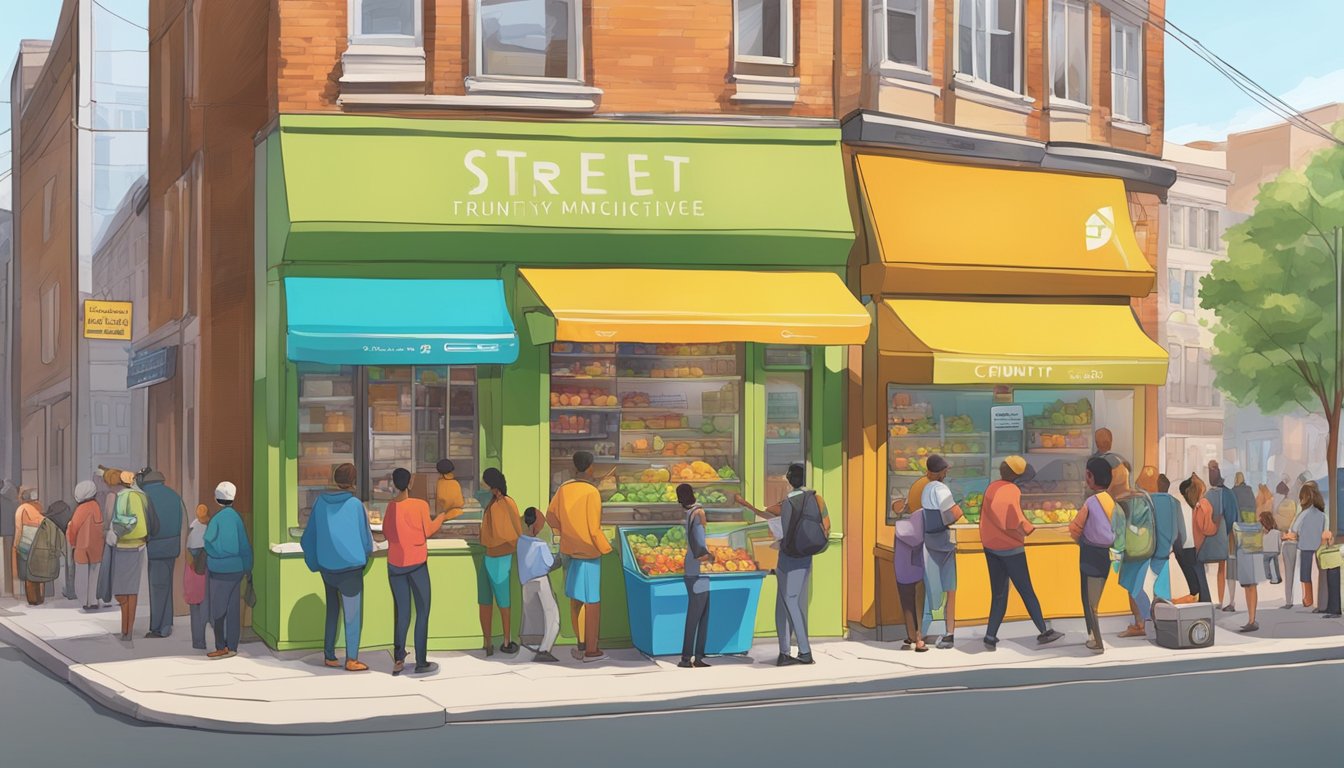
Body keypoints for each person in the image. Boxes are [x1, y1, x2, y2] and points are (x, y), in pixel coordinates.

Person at [737, 463, 830, 665]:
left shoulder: (786, 503)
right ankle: (787, 652)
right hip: (805, 557)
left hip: (788, 557)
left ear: (788, 479)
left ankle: (800, 652)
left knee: (787, 603)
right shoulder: (817, 498)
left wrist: (745, 504)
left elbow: (769, 519)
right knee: (792, 602)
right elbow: (827, 527)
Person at [979, 457, 1063, 650]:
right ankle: (1044, 631)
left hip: (991, 546)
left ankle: (990, 635)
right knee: (1026, 590)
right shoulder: (1011, 490)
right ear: (1017, 476)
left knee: (999, 593)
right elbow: (1012, 518)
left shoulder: (992, 487)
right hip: (1011, 548)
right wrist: (1028, 527)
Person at [302, 463, 375, 671]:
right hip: (350, 569)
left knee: (332, 610)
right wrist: (366, 555)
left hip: (327, 568)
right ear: (354, 481)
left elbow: (309, 537)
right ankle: (351, 659)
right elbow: (366, 541)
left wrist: (316, 563)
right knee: (352, 615)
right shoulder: (355, 505)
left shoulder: (320, 503)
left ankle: (329, 655)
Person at [547, 451, 611, 663]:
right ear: (590, 467)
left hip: (569, 550)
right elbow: (594, 529)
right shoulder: (592, 493)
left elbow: (551, 517)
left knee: (575, 601)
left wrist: (565, 532)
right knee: (592, 602)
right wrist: (606, 548)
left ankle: (580, 645)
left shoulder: (564, 490)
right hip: (589, 553)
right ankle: (592, 651)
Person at [382, 468, 444, 675]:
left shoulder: (391, 507)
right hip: (417, 564)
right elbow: (429, 530)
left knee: (402, 614)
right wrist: (443, 516)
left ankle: (398, 659)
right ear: (409, 483)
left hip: (395, 565)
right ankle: (421, 661)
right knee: (423, 612)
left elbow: (386, 533)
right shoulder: (420, 505)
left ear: (394, 483)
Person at [1070, 458, 1117, 653]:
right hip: (1106, 555)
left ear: (1090, 477)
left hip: (1089, 554)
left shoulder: (1090, 502)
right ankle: (1092, 636)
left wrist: (1076, 537)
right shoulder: (1111, 501)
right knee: (1094, 598)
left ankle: (1096, 640)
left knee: (1090, 601)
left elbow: (1075, 527)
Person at [919, 455, 963, 649]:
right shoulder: (941, 488)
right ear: (942, 471)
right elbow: (954, 513)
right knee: (950, 589)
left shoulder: (926, 488)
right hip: (944, 544)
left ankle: (921, 633)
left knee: (929, 590)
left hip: (928, 542)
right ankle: (949, 633)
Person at [204, 482, 251, 658]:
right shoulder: (237, 518)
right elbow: (245, 546)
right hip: (237, 569)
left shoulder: (216, 519)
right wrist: (248, 568)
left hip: (219, 570)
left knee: (218, 610)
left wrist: (216, 555)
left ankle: (220, 646)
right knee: (233, 609)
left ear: (217, 498)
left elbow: (207, 542)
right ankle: (232, 646)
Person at [478, 467, 522, 657]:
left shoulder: (497, 504)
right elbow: (516, 531)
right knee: (500, 602)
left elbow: (511, 531)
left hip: (493, 556)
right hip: (499, 557)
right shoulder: (502, 502)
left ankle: (491, 642)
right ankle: (503, 641)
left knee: (489, 602)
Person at [140, 469, 184, 639]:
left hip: (155, 546)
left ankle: (159, 627)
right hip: (172, 545)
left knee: (157, 587)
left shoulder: (145, 497)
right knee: (166, 585)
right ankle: (167, 622)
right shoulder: (174, 496)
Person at [675, 484, 714, 668]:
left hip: (694, 570)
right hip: (697, 571)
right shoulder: (698, 513)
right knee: (697, 614)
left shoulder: (689, 512)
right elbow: (699, 544)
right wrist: (711, 556)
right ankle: (687, 657)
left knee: (702, 612)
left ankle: (698, 656)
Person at [108, 472, 150, 640]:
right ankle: (128, 629)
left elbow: (117, 521)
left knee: (122, 589)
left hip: (123, 545)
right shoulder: (142, 497)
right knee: (132, 589)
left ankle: (125, 629)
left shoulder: (122, 497)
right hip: (139, 546)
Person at [517, 507, 561, 663]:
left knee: (531, 616)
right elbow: (549, 564)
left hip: (526, 583)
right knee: (552, 616)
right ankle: (544, 650)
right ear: (536, 523)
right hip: (540, 581)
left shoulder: (520, 541)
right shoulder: (540, 545)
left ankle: (530, 645)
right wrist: (561, 555)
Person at [893, 487, 928, 652]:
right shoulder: (924, 516)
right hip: (918, 568)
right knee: (919, 603)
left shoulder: (905, 523)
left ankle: (911, 636)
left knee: (907, 603)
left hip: (902, 568)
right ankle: (919, 638)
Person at [1286, 482, 1327, 612]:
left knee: (1305, 575)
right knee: (1317, 575)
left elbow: (1294, 529)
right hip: (1319, 549)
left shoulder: (1304, 513)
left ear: (1305, 497)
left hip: (1305, 548)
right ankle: (1317, 602)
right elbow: (1325, 532)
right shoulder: (1322, 515)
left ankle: (1308, 599)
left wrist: (1292, 535)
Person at [67, 481, 105, 611]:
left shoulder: (81, 509)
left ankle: (84, 602)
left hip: (82, 547)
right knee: (94, 574)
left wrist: (72, 543)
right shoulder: (96, 506)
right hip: (97, 546)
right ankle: (93, 600)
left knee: (82, 576)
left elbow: (73, 528)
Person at [1182, 474, 1220, 603]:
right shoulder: (1202, 505)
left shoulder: (1190, 505)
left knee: (1195, 579)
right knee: (1200, 578)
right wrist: (1217, 525)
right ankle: (1205, 603)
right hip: (1197, 546)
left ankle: (1201, 603)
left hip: (1185, 546)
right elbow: (1206, 528)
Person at [1206, 461, 1238, 611]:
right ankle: (1229, 601)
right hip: (1230, 534)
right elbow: (1233, 516)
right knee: (1227, 568)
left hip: (1217, 535)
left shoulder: (1208, 494)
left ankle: (1222, 600)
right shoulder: (1229, 494)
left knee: (1222, 568)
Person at [12, 488, 46, 605]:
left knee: (28, 572)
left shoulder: (21, 509)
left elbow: (19, 529)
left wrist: (16, 545)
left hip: (26, 543)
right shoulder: (39, 507)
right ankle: (41, 597)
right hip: (40, 543)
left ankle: (33, 599)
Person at [185, 504, 210, 650]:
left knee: (194, 608)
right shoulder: (209, 530)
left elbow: (188, 551)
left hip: (192, 573)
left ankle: (198, 642)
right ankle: (202, 640)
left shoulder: (192, 528)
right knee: (204, 606)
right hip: (204, 573)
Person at [1274, 480, 1300, 608]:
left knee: (1289, 573)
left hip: (1287, 542)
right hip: (1296, 542)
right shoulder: (1294, 504)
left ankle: (1289, 601)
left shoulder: (1280, 506)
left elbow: (1278, 523)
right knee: (1294, 573)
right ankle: (1295, 600)